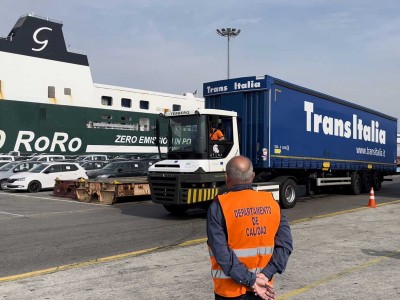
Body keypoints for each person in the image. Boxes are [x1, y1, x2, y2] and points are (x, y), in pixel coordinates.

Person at [207, 156, 293, 300]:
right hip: (263, 288)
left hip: (231, 292)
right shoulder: (271, 202)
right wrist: (265, 274)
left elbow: (221, 252)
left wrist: (251, 280)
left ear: (226, 177)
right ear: (252, 176)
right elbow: (285, 244)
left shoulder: (219, 206)